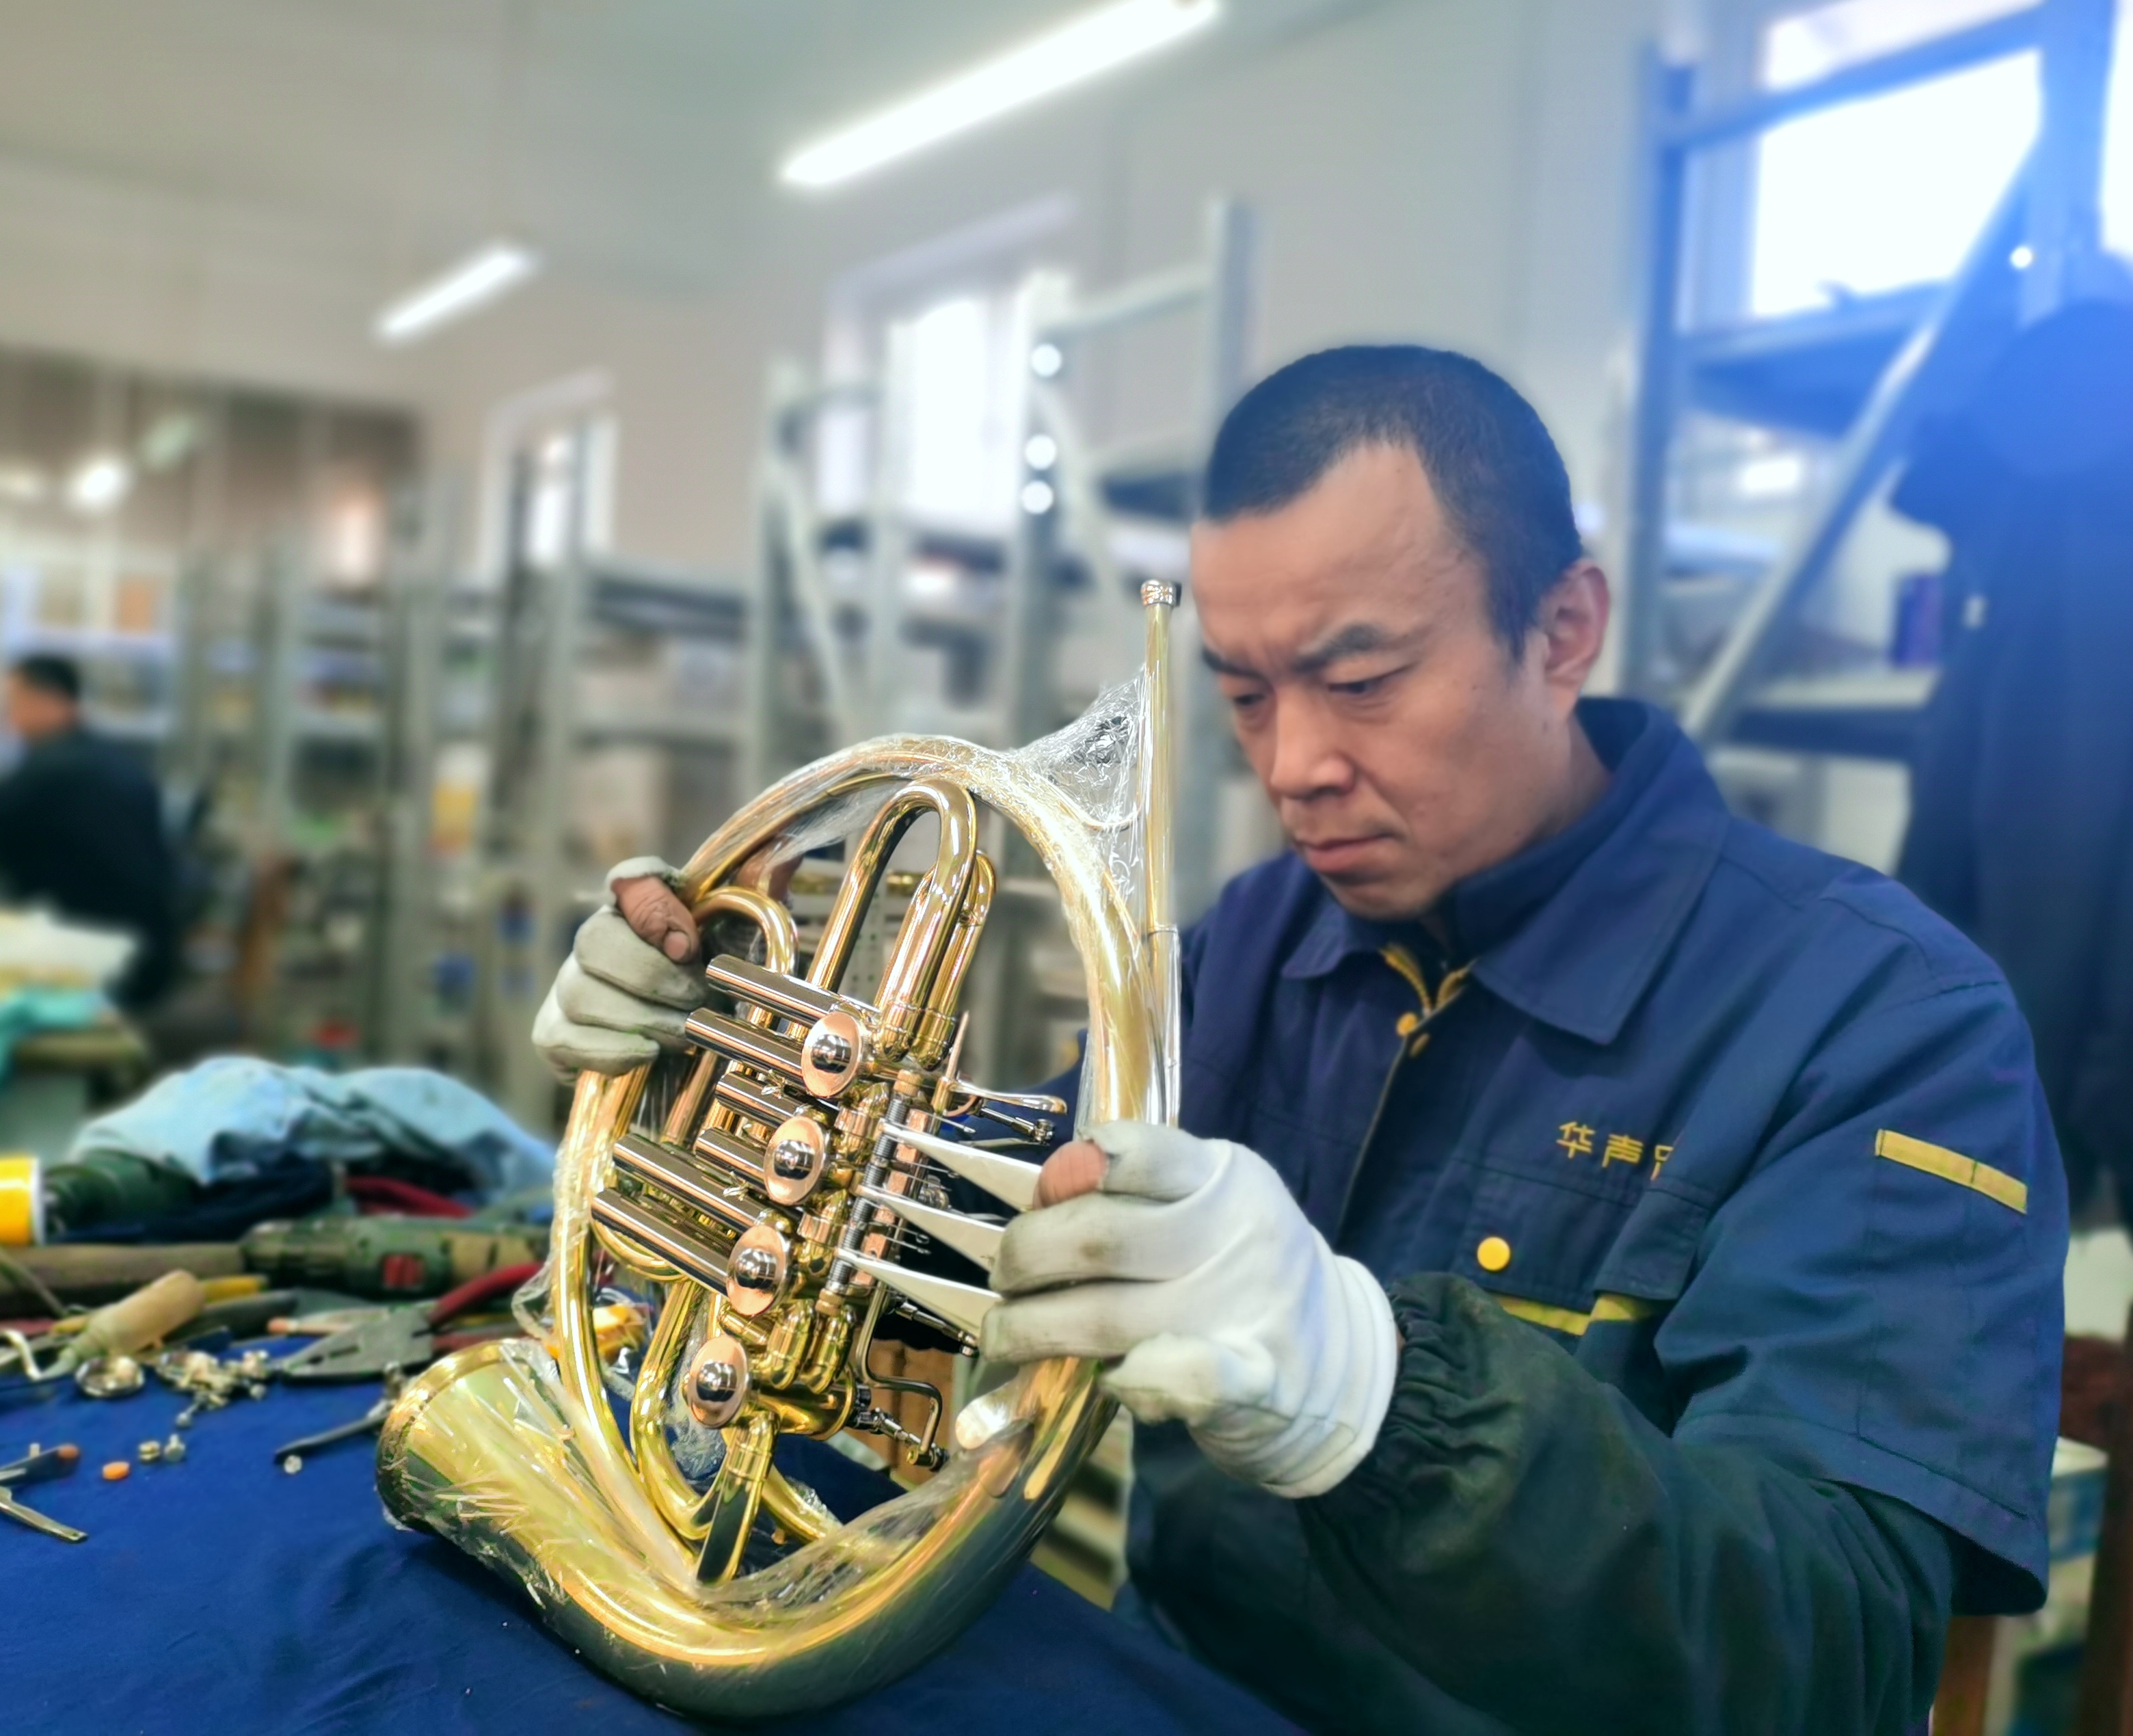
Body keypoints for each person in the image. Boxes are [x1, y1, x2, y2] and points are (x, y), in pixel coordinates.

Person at [535, 346, 2065, 1736]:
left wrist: (1376, 1397)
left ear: (1562, 632)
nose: (1296, 766)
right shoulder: (1260, 938)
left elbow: (1834, 1654)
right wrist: (700, 1070)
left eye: (1361, 682)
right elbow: (979, 1241)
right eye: (1248, 695)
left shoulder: (1884, 1023)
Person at [0, 653, 179, 1009]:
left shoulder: (54, 771)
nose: (8, 715)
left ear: (49, 700)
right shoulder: (99, 756)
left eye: (14, 701)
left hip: (105, 957)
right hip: (141, 945)